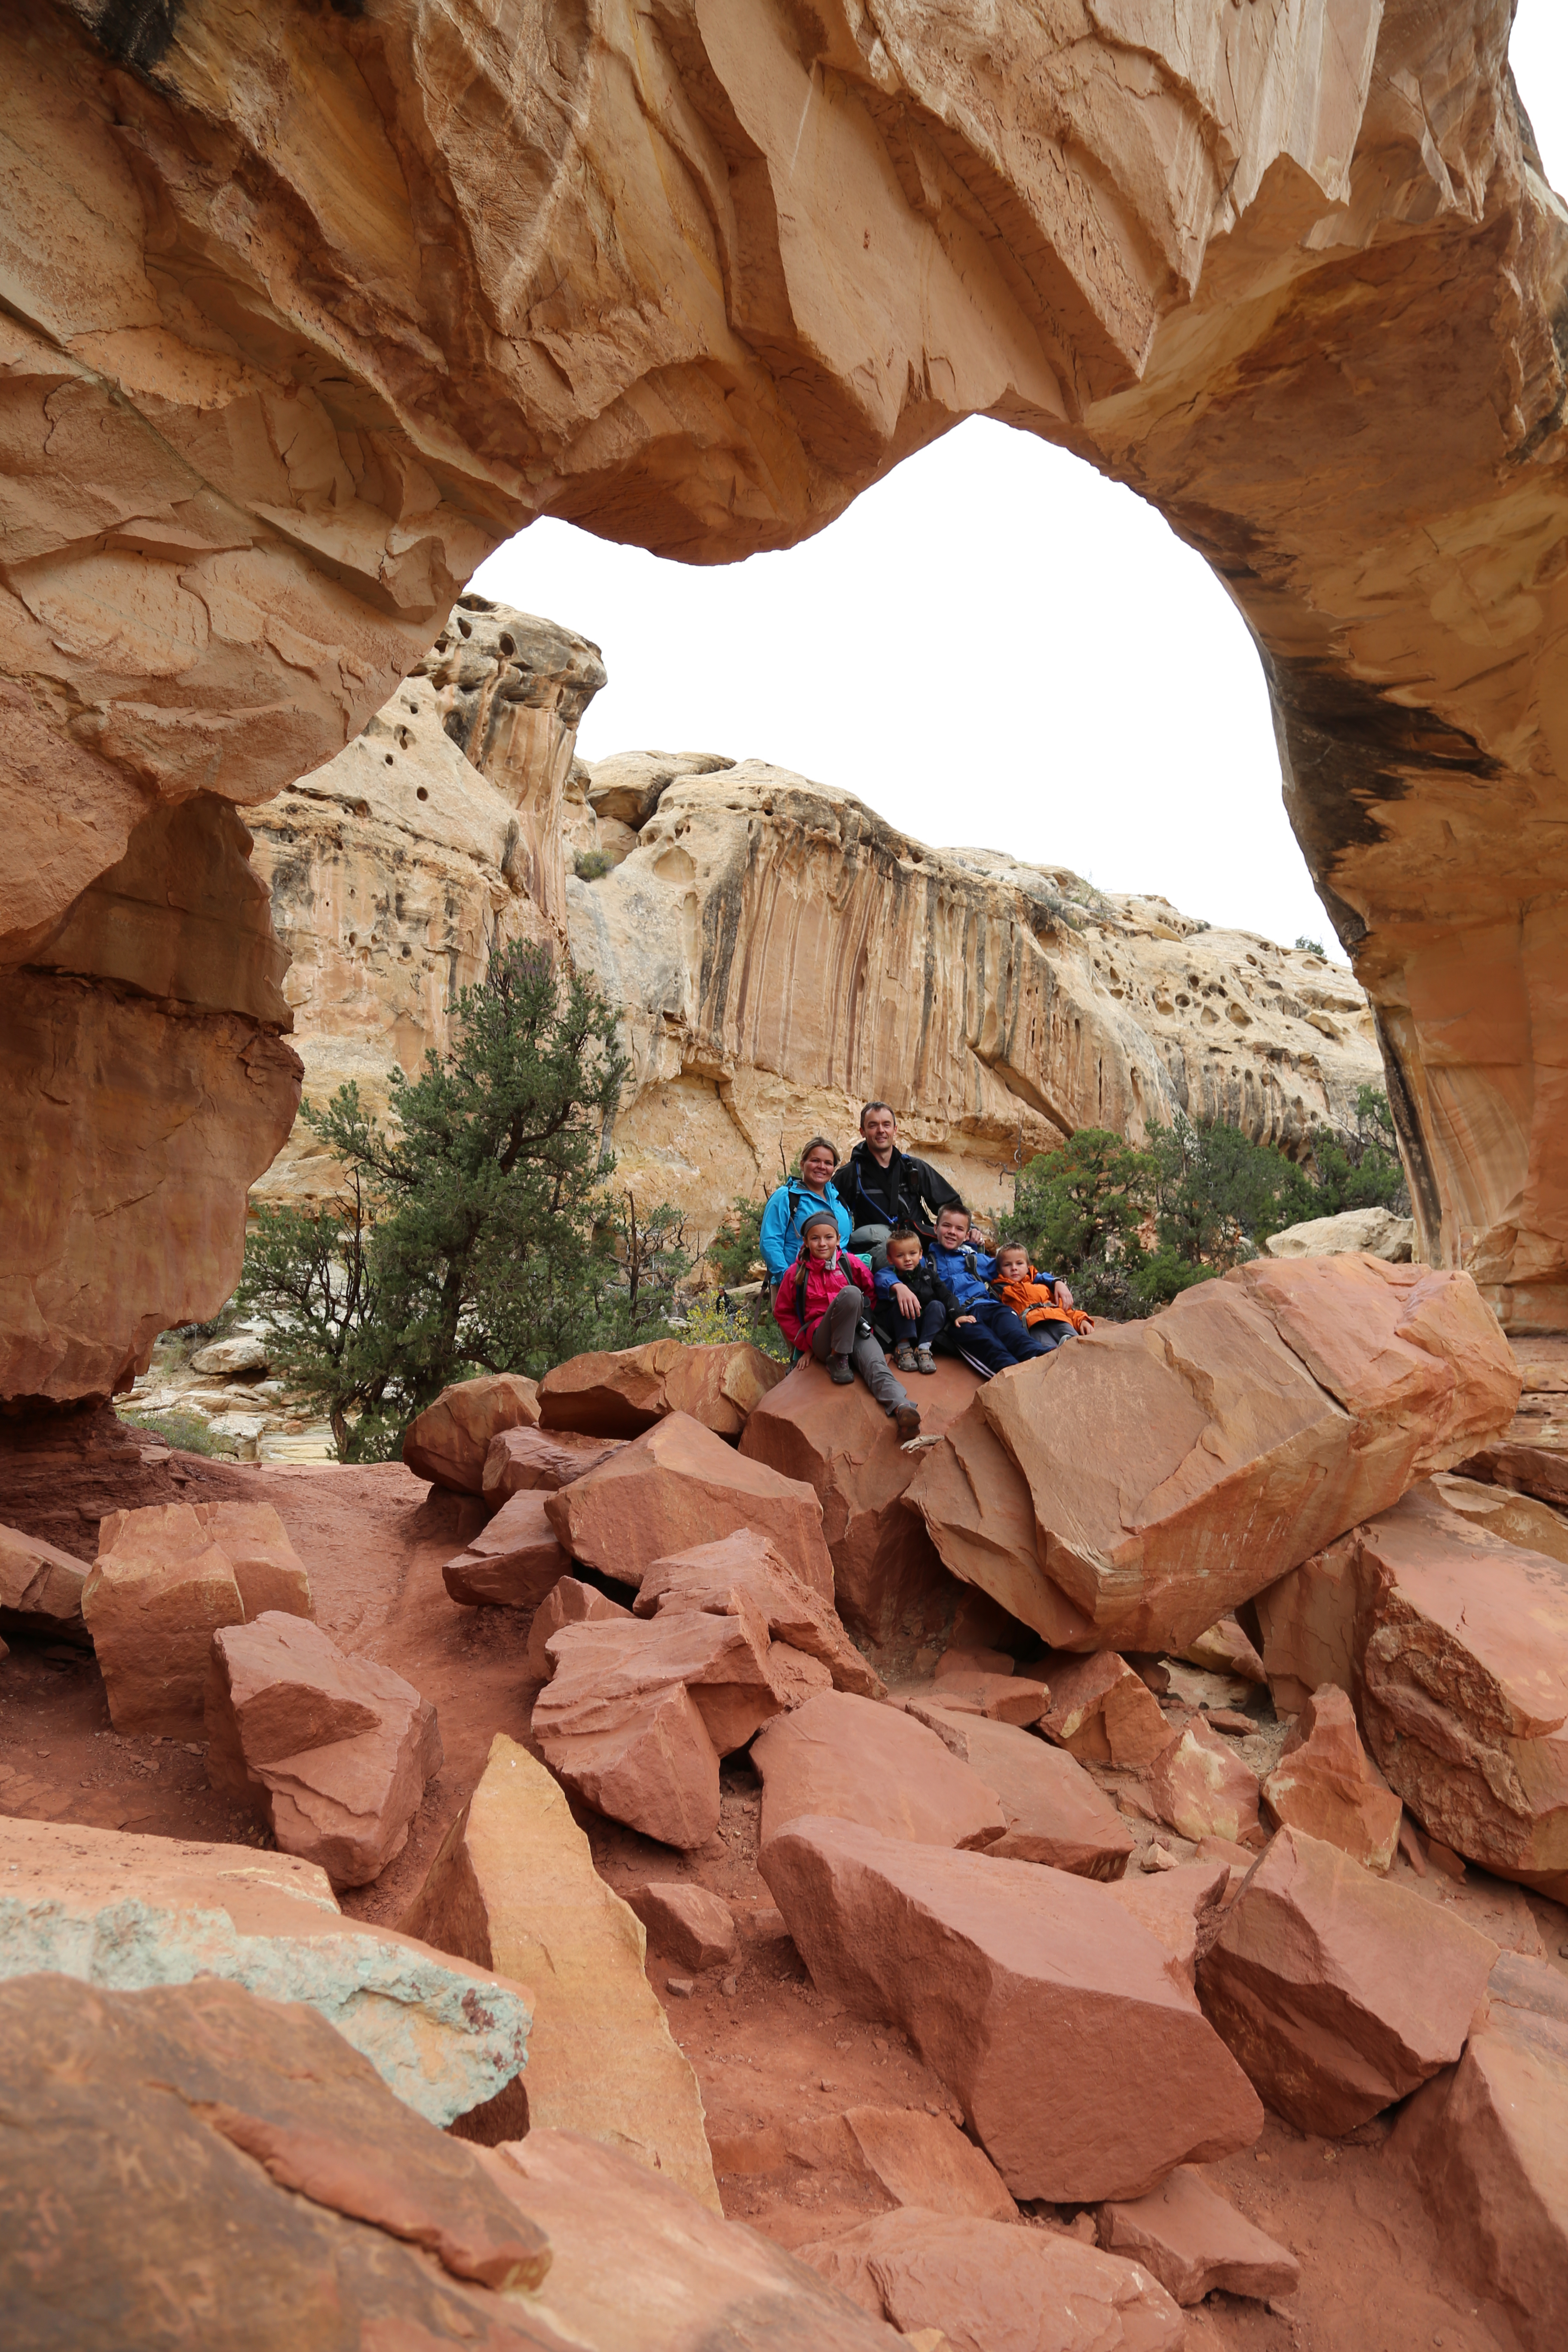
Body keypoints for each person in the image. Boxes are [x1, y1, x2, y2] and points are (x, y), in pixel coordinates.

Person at [773, 1210, 921, 1440]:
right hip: (823, 1339)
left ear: (838, 1238)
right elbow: (783, 1312)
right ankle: (838, 1358)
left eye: (828, 1237)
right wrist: (804, 1345)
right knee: (852, 1294)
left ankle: (903, 1409)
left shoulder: (849, 1263)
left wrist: (870, 1327)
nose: (823, 1244)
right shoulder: (796, 1273)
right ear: (805, 1242)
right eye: (815, 1238)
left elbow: (871, 1293)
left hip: (854, 1331)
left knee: (876, 1364)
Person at [927, 1203, 1055, 1375]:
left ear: (966, 1236)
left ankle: (1037, 1355)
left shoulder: (975, 1259)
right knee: (985, 1340)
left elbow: (1015, 1270)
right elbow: (891, 1274)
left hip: (989, 1306)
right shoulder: (926, 1263)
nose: (952, 1232)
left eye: (959, 1229)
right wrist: (898, 1286)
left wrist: (1055, 1282)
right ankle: (1012, 1372)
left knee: (1010, 1328)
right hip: (960, 1315)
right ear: (936, 1228)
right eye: (946, 1226)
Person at [837, 1102, 965, 1266]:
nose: (881, 1130)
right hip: (878, 1257)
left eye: (886, 1125)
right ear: (862, 1132)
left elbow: (951, 1205)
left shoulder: (913, 1168)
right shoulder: (851, 1174)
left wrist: (971, 1229)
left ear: (895, 1130)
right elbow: (830, 1213)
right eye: (873, 1125)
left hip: (917, 1251)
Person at [758, 1136, 852, 1286]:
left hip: (837, 1283)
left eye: (828, 1163)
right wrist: (788, 1279)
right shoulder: (786, 1197)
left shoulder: (838, 1200)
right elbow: (770, 1242)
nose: (822, 1167)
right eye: (815, 1161)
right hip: (797, 1283)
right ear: (802, 1165)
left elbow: (845, 1245)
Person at [872, 1225, 964, 1375]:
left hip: (924, 1328)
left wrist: (958, 1314)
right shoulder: (890, 1278)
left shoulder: (930, 1276)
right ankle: (903, 1349)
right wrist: (886, 1348)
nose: (907, 1259)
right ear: (890, 1259)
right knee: (904, 1304)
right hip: (900, 1327)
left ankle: (924, 1349)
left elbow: (946, 1295)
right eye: (900, 1256)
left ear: (921, 1254)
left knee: (937, 1306)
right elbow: (881, 1314)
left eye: (913, 1253)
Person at [989, 1243, 1093, 1354]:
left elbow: (1066, 1308)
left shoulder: (1041, 1286)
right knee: (1049, 1352)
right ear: (999, 1270)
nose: (1014, 1268)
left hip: (1058, 1319)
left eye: (1019, 1263)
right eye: (1007, 1265)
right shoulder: (1000, 1292)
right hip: (1032, 1326)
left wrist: (1082, 1320)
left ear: (1028, 1267)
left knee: (1077, 1344)